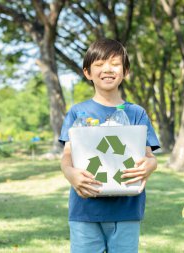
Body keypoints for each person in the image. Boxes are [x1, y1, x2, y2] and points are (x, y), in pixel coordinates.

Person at [59, 38, 160, 253]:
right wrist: (70, 174)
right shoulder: (78, 112)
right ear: (87, 72)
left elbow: (148, 156)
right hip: (85, 210)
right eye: (99, 64)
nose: (107, 69)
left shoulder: (136, 113)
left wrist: (150, 166)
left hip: (126, 210)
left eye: (115, 63)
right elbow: (67, 154)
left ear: (125, 71)